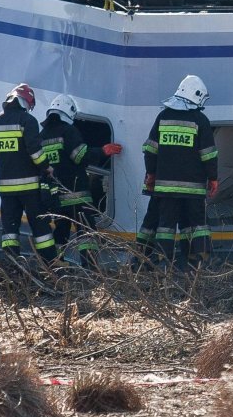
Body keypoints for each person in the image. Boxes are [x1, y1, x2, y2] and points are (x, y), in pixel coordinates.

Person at [137, 75, 219, 273]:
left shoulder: (163, 117)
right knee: (195, 225)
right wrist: (213, 178)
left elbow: (150, 149)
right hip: (193, 189)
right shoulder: (200, 120)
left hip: (165, 188)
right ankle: (197, 262)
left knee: (165, 225)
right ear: (197, 96)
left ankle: (162, 264)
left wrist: (151, 173)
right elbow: (208, 154)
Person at [0, 83, 58, 265]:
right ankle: (50, 263)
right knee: (39, 226)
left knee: (9, 230)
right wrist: (47, 167)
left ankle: (12, 264)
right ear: (26, 103)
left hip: (6, 190)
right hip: (30, 187)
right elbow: (35, 151)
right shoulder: (27, 121)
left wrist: (2, 163)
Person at [41, 93, 120, 268]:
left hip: (56, 196)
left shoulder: (43, 135)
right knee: (86, 232)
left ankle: (54, 265)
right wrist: (103, 151)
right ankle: (90, 268)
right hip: (77, 193)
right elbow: (80, 156)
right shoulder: (69, 131)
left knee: (61, 231)